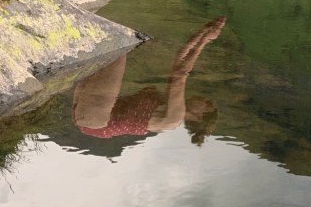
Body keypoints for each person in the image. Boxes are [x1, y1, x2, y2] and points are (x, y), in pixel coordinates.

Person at [73, 17, 225, 145]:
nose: (205, 99)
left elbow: (181, 75)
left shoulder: (175, 119)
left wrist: (205, 40)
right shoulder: (171, 106)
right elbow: (179, 61)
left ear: (199, 116)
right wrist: (203, 33)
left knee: (118, 48)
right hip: (92, 119)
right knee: (107, 46)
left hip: (98, 119)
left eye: (207, 104)